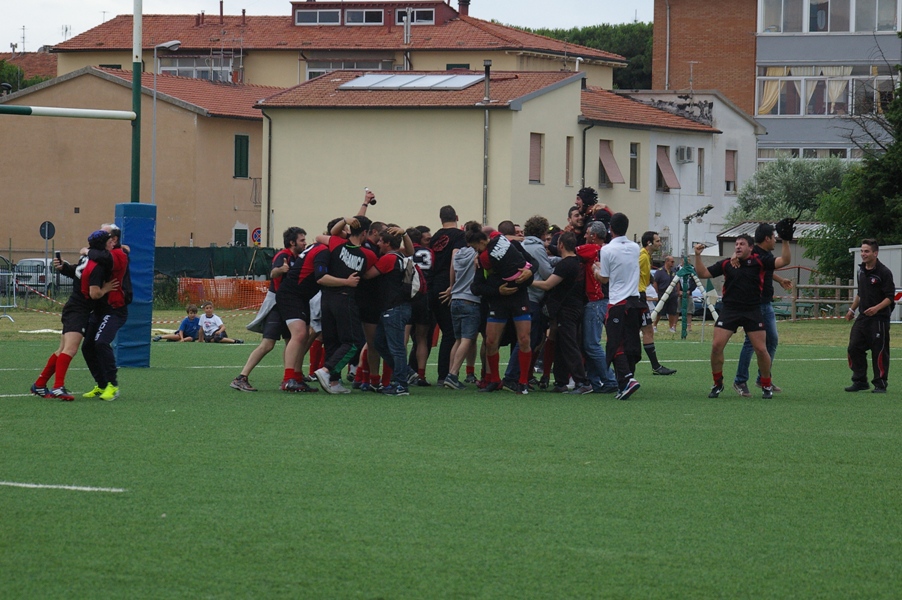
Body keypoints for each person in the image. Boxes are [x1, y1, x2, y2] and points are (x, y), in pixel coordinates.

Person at [694, 232, 791, 399]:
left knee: (761, 349)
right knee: (716, 346)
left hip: (752, 310)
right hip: (730, 310)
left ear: (751, 248)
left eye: (742, 244)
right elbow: (703, 273)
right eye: (736, 244)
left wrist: (786, 240)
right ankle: (717, 384)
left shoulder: (760, 261)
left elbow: (785, 261)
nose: (738, 246)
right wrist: (697, 255)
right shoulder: (727, 263)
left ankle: (766, 384)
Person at [31, 230, 118, 401]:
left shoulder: (87, 258)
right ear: (102, 244)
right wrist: (106, 289)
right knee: (70, 349)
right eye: (109, 241)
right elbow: (94, 294)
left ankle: (40, 384)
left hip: (74, 307)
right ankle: (58, 387)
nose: (112, 243)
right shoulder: (98, 265)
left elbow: (78, 273)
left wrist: (64, 267)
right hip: (79, 310)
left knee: (62, 350)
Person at [231, 227, 306, 392]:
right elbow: (273, 273)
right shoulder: (283, 255)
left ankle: (289, 379)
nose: (305, 243)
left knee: (291, 341)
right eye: (302, 240)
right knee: (267, 344)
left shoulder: (296, 257)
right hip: (277, 306)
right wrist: (281, 270)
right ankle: (241, 378)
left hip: (287, 306)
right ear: (292, 242)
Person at [313, 214, 378, 394]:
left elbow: (326, 235)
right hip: (345, 298)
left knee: (332, 342)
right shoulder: (368, 254)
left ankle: (334, 383)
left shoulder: (337, 243)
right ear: (364, 233)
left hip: (327, 299)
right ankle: (326, 370)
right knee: (353, 342)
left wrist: (344, 220)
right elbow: (369, 275)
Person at [466, 223, 534, 393]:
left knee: (524, 339)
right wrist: (497, 291)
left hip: (519, 297)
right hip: (498, 301)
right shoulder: (481, 260)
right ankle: (494, 380)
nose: (476, 251)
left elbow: (533, 263)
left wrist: (530, 272)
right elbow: (476, 287)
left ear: (483, 241)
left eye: (476, 247)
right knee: (490, 341)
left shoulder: (511, 245)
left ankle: (523, 381)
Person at [731, 224, 794, 397]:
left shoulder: (765, 256)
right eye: (773, 237)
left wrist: (779, 280)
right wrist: (734, 256)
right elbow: (739, 257)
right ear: (767, 238)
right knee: (751, 343)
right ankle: (740, 380)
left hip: (766, 304)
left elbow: (764, 269)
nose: (775, 240)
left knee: (772, 340)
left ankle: (763, 378)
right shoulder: (753, 253)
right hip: (754, 305)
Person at [532, 232, 592, 394]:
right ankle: (561, 381)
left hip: (567, 310)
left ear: (561, 245)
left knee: (569, 344)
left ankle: (582, 381)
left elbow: (548, 284)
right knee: (560, 344)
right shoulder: (578, 261)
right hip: (576, 307)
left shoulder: (565, 265)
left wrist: (528, 281)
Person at [81, 223, 131, 401]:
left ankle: (113, 385)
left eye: (105, 234)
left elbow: (100, 256)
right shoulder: (103, 254)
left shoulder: (118, 254)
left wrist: (87, 251)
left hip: (115, 309)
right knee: (87, 347)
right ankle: (101, 384)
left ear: (114, 239)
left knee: (101, 343)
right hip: (100, 309)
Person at [367, 226, 416, 396]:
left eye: (381, 241)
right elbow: (411, 251)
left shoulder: (388, 258)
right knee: (380, 343)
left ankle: (401, 384)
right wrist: (404, 234)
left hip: (394, 308)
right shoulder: (400, 256)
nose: (378, 244)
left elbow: (368, 275)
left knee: (396, 348)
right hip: (398, 307)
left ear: (387, 243)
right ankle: (405, 372)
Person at [599, 213, 643, 400]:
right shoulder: (635, 247)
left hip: (617, 302)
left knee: (615, 343)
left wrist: (595, 270)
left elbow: (604, 278)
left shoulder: (607, 250)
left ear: (610, 229)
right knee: (630, 343)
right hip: (634, 301)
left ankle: (626, 379)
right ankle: (624, 383)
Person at [845, 238, 894, 393]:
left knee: (879, 351)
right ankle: (860, 381)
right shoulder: (861, 271)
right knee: (853, 347)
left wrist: (876, 308)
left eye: (866, 251)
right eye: (862, 251)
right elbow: (860, 293)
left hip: (879, 319)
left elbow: (890, 297)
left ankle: (880, 384)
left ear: (875, 253)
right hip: (863, 318)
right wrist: (852, 310)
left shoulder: (884, 272)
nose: (863, 254)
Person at [577, 221, 619, 393]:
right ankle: (596, 381)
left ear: (594, 236)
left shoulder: (593, 249)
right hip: (607, 300)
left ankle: (610, 379)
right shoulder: (609, 250)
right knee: (592, 344)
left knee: (591, 345)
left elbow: (568, 251)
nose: (584, 236)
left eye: (587, 233)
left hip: (596, 301)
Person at [441, 221, 482, 390]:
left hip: (456, 298)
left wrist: (452, 287)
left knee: (458, 340)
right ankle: (452, 374)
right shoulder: (477, 253)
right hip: (470, 299)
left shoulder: (458, 253)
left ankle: (451, 374)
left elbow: (452, 270)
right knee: (467, 339)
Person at [429, 205, 467, 384]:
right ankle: (445, 374)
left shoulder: (434, 237)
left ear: (440, 219)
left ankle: (419, 371)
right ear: (457, 217)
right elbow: (455, 257)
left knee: (431, 332)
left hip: (432, 285)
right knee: (451, 333)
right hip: (446, 286)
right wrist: (453, 285)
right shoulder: (459, 236)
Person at [639, 231, 676, 376]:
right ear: (649, 243)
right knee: (644, 331)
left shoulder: (647, 256)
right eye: (658, 241)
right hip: (637, 297)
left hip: (639, 296)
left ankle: (655, 366)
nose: (660, 244)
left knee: (647, 330)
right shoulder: (642, 256)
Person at [652, 255, 681, 333]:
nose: (673, 263)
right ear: (667, 261)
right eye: (672, 262)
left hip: (672, 294)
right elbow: (655, 282)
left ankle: (671, 327)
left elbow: (677, 282)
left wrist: (678, 291)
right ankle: (654, 326)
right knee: (659, 311)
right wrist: (656, 293)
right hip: (662, 293)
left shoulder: (674, 271)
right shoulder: (659, 271)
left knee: (672, 311)